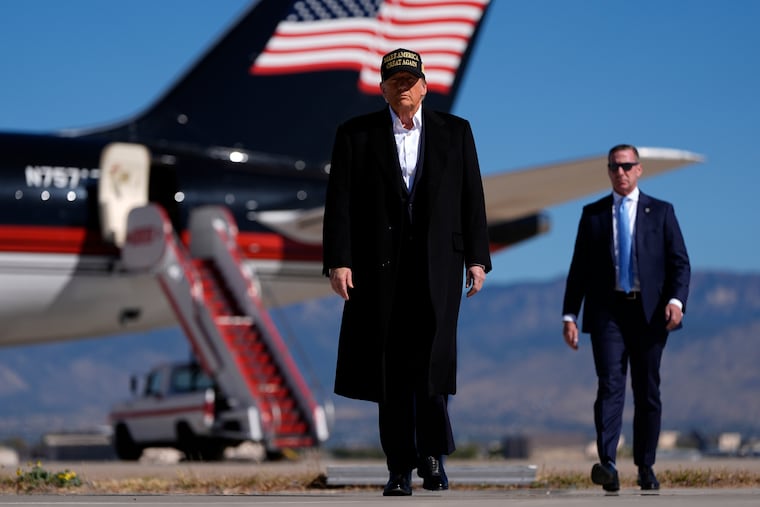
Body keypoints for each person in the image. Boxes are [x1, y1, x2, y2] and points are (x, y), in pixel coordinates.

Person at [322, 48, 492, 496]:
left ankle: (433, 457)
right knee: (389, 369)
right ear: (382, 89)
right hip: (380, 269)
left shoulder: (455, 133)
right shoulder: (355, 135)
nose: (403, 87)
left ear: (425, 86)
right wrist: (339, 260)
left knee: (432, 363)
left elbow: (472, 198)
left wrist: (477, 258)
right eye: (394, 80)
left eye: (410, 80)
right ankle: (399, 466)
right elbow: (338, 203)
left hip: (438, 264)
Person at [561, 144, 690, 492]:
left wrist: (676, 301)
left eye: (627, 166)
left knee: (647, 390)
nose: (621, 172)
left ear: (639, 170)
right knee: (610, 386)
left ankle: (646, 465)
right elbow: (579, 270)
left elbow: (680, 263)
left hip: (649, 315)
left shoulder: (661, 212)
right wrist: (570, 314)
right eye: (614, 167)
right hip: (608, 313)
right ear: (609, 171)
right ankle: (608, 465)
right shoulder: (594, 215)